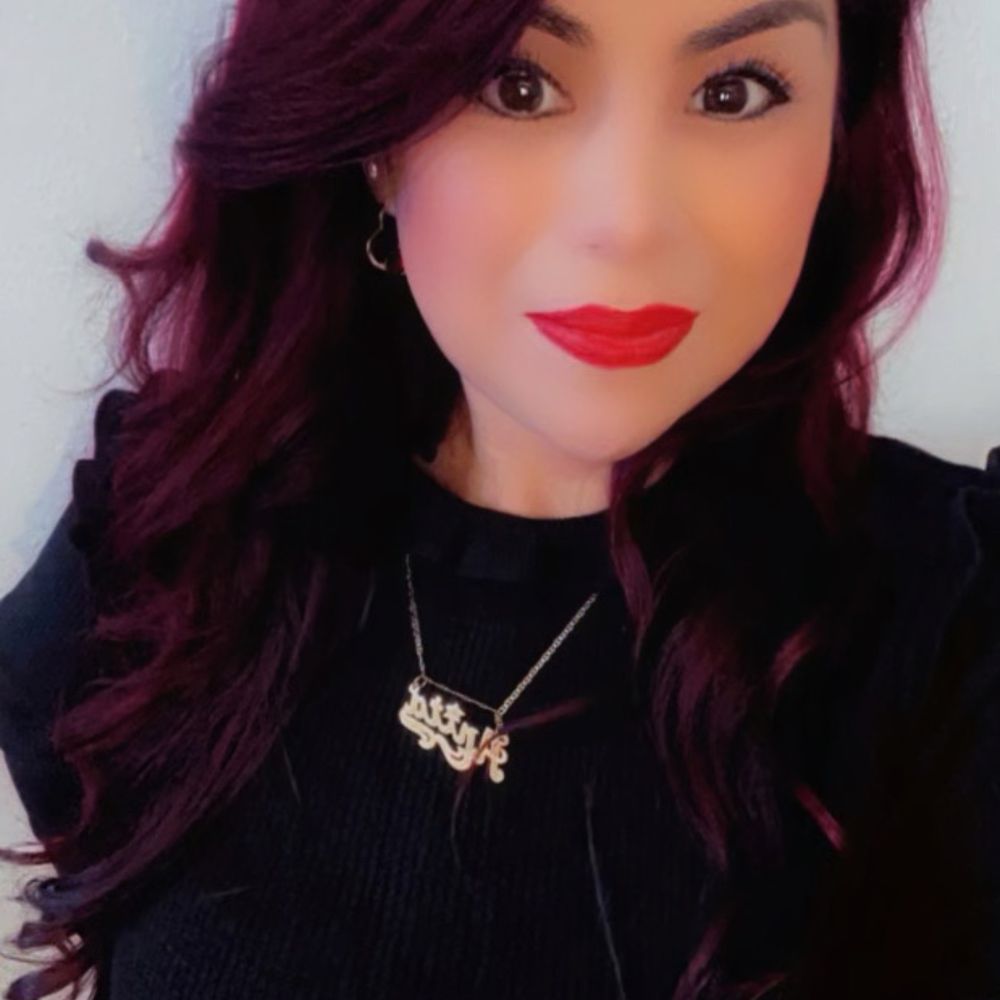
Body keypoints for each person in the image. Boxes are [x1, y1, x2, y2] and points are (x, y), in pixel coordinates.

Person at [1, 0, 998, 997]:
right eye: (515, 87)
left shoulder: (949, 625)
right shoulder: (161, 530)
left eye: (732, 92)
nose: (627, 221)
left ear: (836, 130)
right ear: (373, 139)